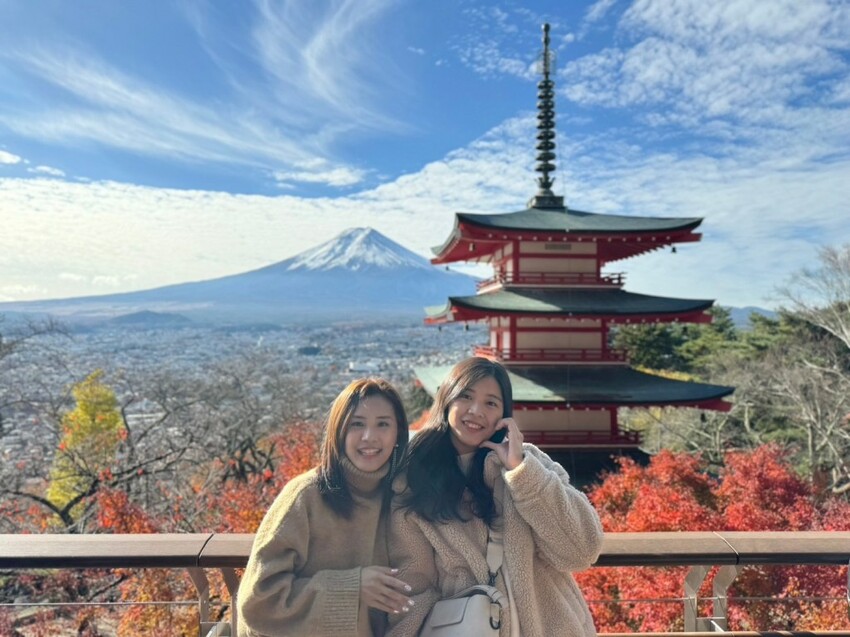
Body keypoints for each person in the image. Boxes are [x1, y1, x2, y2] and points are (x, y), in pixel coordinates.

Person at [387, 357, 604, 637]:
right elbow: (414, 588)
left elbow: (582, 550)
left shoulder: (530, 464)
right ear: (446, 400)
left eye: (491, 403)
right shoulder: (413, 482)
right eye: (466, 396)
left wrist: (522, 475)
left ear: (505, 413)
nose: (476, 411)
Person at [237, 377, 414, 637]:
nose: (369, 437)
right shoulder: (305, 496)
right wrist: (353, 588)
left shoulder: (400, 497)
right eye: (357, 424)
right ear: (338, 432)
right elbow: (258, 602)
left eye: (383, 424)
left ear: (398, 434)